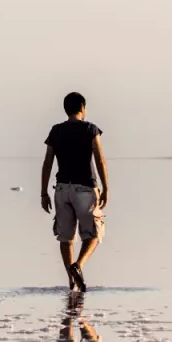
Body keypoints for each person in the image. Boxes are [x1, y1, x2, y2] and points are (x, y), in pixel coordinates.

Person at [42, 91, 109, 293]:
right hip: (85, 189)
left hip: (61, 189)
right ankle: (78, 266)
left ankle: (71, 283)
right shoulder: (90, 129)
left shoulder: (56, 131)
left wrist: (43, 193)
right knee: (94, 234)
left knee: (66, 238)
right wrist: (106, 187)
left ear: (66, 109)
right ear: (82, 108)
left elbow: (47, 163)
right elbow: (100, 160)